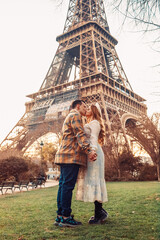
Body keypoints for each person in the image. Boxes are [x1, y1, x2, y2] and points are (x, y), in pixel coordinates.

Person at [54, 99, 97, 227]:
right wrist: (89, 151)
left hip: (63, 156)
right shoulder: (76, 115)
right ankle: (66, 217)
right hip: (71, 157)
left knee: (63, 186)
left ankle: (60, 216)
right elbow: (80, 134)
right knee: (67, 186)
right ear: (78, 106)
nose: (86, 108)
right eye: (84, 106)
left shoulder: (69, 116)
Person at [76, 103, 108, 224]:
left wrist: (92, 152)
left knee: (95, 181)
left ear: (94, 111)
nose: (87, 109)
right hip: (93, 151)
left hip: (94, 153)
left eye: (89, 108)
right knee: (95, 181)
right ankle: (100, 212)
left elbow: (93, 137)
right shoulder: (93, 122)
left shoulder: (94, 123)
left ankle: (99, 214)